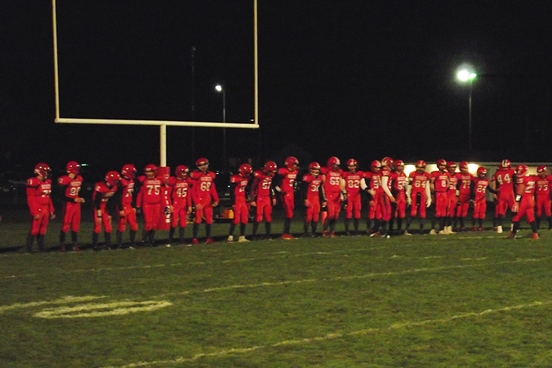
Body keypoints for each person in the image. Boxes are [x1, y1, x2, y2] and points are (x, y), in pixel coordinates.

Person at [25, 163, 55, 253]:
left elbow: (48, 197)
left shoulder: (47, 182)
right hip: (38, 207)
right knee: (35, 229)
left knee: (43, 228)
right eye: (46, 171)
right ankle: (29, 247)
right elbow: (30, 199)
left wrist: (51, 210)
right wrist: (34, 212)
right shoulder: (33, 181)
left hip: (45, 207)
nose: (47, 173)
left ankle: (41, 246)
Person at [136, 164, 168, 246]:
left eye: (150, 172)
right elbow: (140, 194)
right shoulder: (143, 180)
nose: (149, 174)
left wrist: (165, 205)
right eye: (147, 172)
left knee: (154, 224)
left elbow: (162, 194)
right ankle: (143, 241)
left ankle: (151, 240)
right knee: (148, 224)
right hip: (147, 204)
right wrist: (138, 206)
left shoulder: (160, 180)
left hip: (157, 204)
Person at [505, 164, 539, 240]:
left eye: (518, 171)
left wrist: (517, 201)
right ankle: (535, 234)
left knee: (516, 217)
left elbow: (520, 191)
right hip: (530, 199)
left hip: (524, 199)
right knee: (531, 218)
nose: (517, 172)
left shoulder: (521, 179)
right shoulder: (531, 178)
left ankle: (512, 235)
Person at [57, 161, 85, 252]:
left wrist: (80, 198)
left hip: (76, 205)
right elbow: (60, 195)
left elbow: (77, 192)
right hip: (68, 204)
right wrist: (73, 200)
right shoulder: (64, 179)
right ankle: (62, 244)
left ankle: (75, 244)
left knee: (75, 225)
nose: (78, 170)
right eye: (76, 168)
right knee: (65, 225)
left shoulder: (79, 178)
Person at [190, 158, 219, 244]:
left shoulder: (211, 175)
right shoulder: (196, 175)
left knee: (209, 219)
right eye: (200, 165)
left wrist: (216, 199)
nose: (203, 167)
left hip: (208, 199)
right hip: (199, 199)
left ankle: (208, 237)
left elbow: (212, 188)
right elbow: (192, 190)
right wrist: (196, 202)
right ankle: (194, 238)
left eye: (204, 164)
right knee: (198, 219)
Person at [92, 170, 120, 250]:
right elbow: (96, 200)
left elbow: (112, 201)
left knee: (108, 226)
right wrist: (98, 211)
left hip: (105, 207)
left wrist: (110, 213)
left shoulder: (114, 187)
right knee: (98, 226)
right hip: (97, 207)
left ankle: (108, 245)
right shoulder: (100, 186)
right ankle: (95, 245)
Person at [250, 160, 277, 240]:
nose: (272, 173)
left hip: (267, 198)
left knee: (268, 217)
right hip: (260, 197)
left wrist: (274, 197)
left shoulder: (270, 176)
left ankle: (268, 235)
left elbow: (271, 187)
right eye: (271, 171)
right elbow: (253, 188)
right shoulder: (259, 175)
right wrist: (252, 200)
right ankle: (254, 235)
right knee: (258, 217)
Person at [227, 163, 253, 242]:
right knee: (236, 219)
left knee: (245, 218)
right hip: (237, 198)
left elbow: (246, 188)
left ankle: (242, 236)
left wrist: (247, 199)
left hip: (243, 199)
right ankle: (230, 236)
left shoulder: (246, 178)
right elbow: (232, 191)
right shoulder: (235, 178)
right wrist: (233, 202)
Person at [114, 164, 138, 249]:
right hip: (123, 205)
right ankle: (119, 244)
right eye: (132, 172)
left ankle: (132, 243)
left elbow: (133, 194)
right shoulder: (121, 182)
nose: (133, 174)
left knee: (134, 225)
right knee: (122, 225)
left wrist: (134, 206)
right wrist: (120, 209)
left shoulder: (131, 180)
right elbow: (118, 196)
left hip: (129, 205)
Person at [275, 156, 300, 239]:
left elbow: (294, 182)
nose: (295, 166)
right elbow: (276, 182)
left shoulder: (295, 171)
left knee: (291, 214)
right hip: (285, 194)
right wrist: (279, 190)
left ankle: (287, 232)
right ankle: (285, 233)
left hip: (291, 194)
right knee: (288, 213)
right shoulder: (283, 171)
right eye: (294, 164)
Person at [405, 160, 432, 234]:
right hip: (414, 194)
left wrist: (429, 197)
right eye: (419, 167)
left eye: (422, 167)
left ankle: (421, 230)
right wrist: (408, 196)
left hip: (422, 194)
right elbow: (409, 186)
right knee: (413, 213)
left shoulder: (427, 175)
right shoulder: (412, 174)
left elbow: (427, 187)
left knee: (422, 213)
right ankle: (406, 230)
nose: (421, 169)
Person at [168, 165, 193, 245]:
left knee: (183, 223)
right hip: (175, 203)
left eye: (185, 173)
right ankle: (170, 239)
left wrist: (189, 205)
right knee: (174, 222)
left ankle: (182, 239)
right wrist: (170, 204)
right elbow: (168, 194)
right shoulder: (173, 181)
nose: (184, 174)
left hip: (183, 203)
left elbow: (188, 194)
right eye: (182, 172)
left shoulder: (187, 181)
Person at [321, 156, 345, 237]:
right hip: (329, 195)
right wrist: (324, 197)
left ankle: (332, 231)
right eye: (335, 165)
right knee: (331, 214)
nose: (337, 166)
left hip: (337, 195)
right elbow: (323, 185)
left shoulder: (340, 172)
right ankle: (325, 230)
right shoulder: (326, 172)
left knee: (336, 215)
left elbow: (341, 183)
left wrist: (343, 193)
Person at [490, 159, 516, 234]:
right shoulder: (511, 171)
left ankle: (499, 228)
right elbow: (515, 182)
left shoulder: (497, 173)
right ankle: (513, 227)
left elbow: (495, 183)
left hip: (501, 193)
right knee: (514, 210)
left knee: (500, 211)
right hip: (509, 193)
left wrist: (495, 193)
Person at [301, 162, 326, 237]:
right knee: (308, 216)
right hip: (309, 198)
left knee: (316, 216)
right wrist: (305, 199)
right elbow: (303, 189)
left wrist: (323, 199)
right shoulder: (307, 177)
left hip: (316, 199)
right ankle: (305, 233)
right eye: (314, 169)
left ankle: (313, 233)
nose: (315, 171)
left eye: (317, 170)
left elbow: (320, 190)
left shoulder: (320, 178)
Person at [342, 158, 364, 236]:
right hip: (349, 196)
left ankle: (356, 231)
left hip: (357, 196)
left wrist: (369, 190)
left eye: (353, 166)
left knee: (357, 214)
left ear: (356, 166)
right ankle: (347, 231)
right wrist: (344, 195)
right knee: (348, 214)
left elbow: (363, 185)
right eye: (350, 166)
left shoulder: (359, 174)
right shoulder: (345, 174)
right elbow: (342, 186)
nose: (352, 168)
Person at [362, 160, 383, 236]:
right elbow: (363, 184)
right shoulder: (368, 175)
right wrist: (369, 197)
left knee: (379, 215)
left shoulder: (381, 174)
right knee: (371, 215)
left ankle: (375, 230)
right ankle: (368, 229)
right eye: (375, 167)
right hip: (373, 196)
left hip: (380, 197)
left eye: (378, 168)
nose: (377, 169)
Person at [429, 159, 451, 235]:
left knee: (444, 212)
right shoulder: (435, 173)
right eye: (441, 165)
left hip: (444, 193)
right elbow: (431, 183)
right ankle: (433, 229)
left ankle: (441, 229)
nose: (443, 167)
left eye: (444, 165)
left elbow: (448, 182)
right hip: (438, 193)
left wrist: (446, 188)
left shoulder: (446, 174)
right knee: (437, 212)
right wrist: (433, 193)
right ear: (438, 166)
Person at [453, 161, 473, 232]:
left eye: (466, 168)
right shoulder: (458, 175)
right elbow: (457, 186)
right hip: (460, 195)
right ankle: (455, 226)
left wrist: (472, 196)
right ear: (460, 168)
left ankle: (462, 226)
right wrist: (457, 195)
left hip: (467, 195)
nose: (465, 169)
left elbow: (472, 186)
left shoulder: (470, 175)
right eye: (463, 168)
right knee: (458, 212)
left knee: (464, 212)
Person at [390, 159, 408, 235]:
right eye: (398, 166)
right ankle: (390, 229)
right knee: (393, 213)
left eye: (401, 166)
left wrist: (406, 196)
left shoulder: (403, 174)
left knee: (402, 213)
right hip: (396, 194)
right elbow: (390, 186)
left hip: (402, 195)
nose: (400, 167)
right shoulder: (392, 175)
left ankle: (399, 229)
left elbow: (405, 186)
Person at [535, 165, 552, 230]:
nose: (542, 174)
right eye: (540, 173)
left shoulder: (549, 178)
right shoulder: (536, 178)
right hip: (539, 197)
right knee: (538, 212)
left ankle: (550, 225)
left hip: (546, 197)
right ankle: (537, 226)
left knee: (548, 211)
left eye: (543, 172)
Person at [444, 161, 459, 234]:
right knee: (446, 212)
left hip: (453, 195)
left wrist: (457, 196)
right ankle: (444, 227)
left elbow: (458, 186)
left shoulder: (457, 175)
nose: (453, 169)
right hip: (446, 195)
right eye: (451, 167)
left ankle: (449, 228)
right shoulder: (445, 175)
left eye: (454, 167)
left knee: (452, 212)